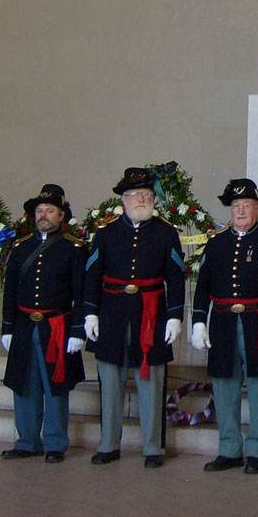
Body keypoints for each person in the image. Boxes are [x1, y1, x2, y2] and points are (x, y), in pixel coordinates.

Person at [83, 166, 186, 468]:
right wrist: (90, 313)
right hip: (112, 312)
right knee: (111, 381)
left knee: (151, 381)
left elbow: (176, 277)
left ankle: (153, 447)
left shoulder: (166, 232)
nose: (140, 200)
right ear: (123, 200)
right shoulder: (105, 232)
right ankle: (108, 444)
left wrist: (175, 316)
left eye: (145, 194)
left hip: (151, 312)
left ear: (152, 198)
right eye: (134, 195)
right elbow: (91, 275)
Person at [190, 178, 258, 475]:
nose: (241, 211)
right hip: (222, 323)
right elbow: (202, 286)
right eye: (236, 206)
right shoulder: (216, 242)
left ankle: (256, 450)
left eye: (247, 205)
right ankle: (229, 449)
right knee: (224, 386)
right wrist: (197, 322)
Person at [0, 183, 87, 463]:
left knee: (55, 386)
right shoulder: (21, 248)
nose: (44, 215)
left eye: (50, 210)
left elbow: (80, 293)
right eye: (40, 210)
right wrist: (7, 327)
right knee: (23, 384)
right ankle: (26, 441)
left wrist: (77, 330)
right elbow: (10, 290)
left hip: (57, 326)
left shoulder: (73, 249)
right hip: (25, 325)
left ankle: (55, 443)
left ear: (62, 216)